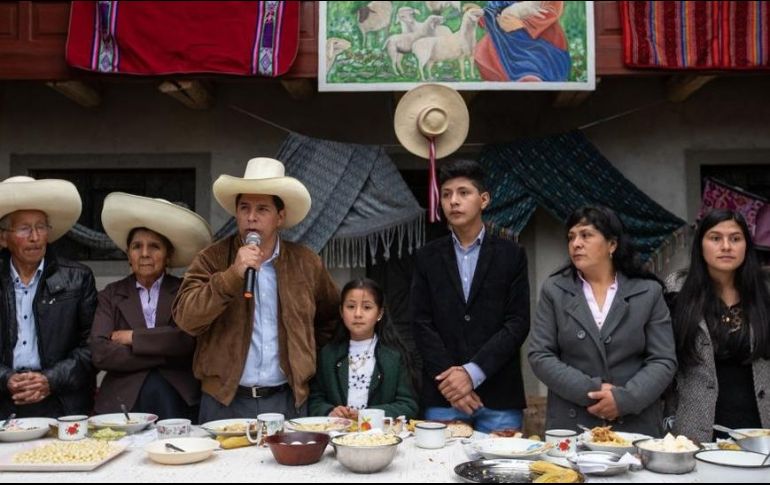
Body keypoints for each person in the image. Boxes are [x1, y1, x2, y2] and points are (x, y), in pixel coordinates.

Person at [173, 157, 340, 423]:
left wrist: (302, 354)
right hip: (224, 401)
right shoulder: (212, 258)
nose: (251, 217)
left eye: (262, 209)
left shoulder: (306, 263)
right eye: (244, 208)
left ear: (280, 217)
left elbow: (330, 318)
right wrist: (231, 276)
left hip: (288, 399)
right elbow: (186, 318)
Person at [529, 206, 677, 437]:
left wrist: (623, 399)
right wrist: (593, 390)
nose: (576, 243)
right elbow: (540, 355)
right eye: (571, 237)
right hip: (572, 422)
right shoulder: (555, 290)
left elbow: (663, 360)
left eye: (586, 235)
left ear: (612, 245)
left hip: (633, 423)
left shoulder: (648, 291)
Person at [410, 159, 530, 433]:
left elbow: (517, 322)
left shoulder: (512, 254)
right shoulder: (426, 257)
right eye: (448, 194)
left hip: (500, 394)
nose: (454, 201)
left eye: (464, 193)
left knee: (503, 471)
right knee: (436, 471)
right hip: (443, 394)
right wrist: (453, 384)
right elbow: (420, 322)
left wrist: (471, 373)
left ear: (484, 199)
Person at [89, 193, 212, 421]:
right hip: (121, 399)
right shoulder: (111, 295)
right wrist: (164, 353)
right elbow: (101, 352)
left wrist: (134, 337)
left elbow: (187, 340)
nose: (145, 253)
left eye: (154, 246)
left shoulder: (186, 290)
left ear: (168, 255)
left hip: (177, 396)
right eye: (137, 246)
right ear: (128, 254)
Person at [665, 209, 770, 442]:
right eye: (715, 238)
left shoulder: (765, 293)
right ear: (700, 245)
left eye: (735, 238)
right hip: (695, 430)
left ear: (746, 246)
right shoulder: (677, 293)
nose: (726, 246)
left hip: (760, 432)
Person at [0, 176, 97, 417]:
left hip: (62, 402)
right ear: (3, 238)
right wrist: (6, 379)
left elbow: (92, 347)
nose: (35, 237)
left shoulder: (78, 278)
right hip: (3, 401)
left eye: (41, 227)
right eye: (24, 229)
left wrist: (49, 379)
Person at [309, 278, 418, 420]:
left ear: (379, 313)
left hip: (380, 437)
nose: (358, 314)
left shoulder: (394, 356)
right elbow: (315, 400)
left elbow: (408, 405)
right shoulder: (328, 354)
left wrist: (367, 415)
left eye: (367, 307)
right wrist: (331, 412)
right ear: (341, 312)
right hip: (337, 435)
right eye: (351, 307)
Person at [474, 1, 571, 82]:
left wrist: (523, 24)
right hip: (504, 36)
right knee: (483, 52)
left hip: (538, 36)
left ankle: (533, 76)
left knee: (536, 61)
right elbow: (493, 11)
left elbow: (551, 10)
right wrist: (480, 15)